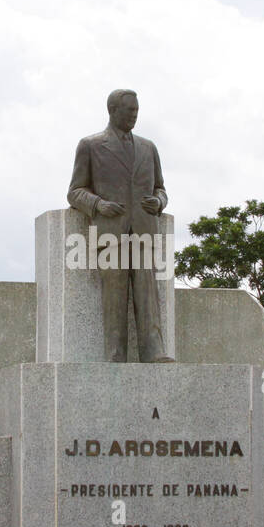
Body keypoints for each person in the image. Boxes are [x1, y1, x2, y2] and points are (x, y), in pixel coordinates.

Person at [67, 89, 174, 362]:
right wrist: (99, 204)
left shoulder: (149, 148)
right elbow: (75, 191)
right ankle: (116, 354)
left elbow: (161, 188)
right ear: (113, 111)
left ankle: (154, 351)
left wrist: (159, 202)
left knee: (147, 292)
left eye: (137, 111)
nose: (134, 115)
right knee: (114, 297)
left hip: (143, 231)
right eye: (129, 111)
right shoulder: (90, 145)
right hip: (111, 232)